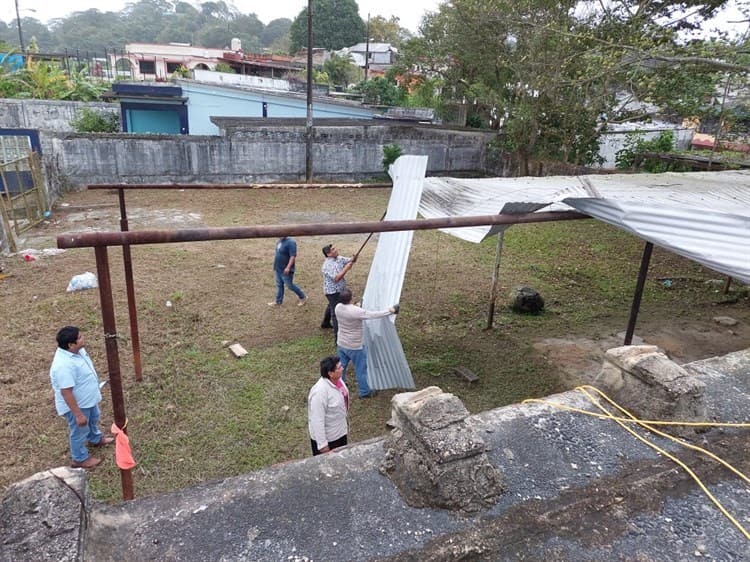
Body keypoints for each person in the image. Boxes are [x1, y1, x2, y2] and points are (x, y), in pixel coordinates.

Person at [49, 326, 113, 469]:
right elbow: (66, 392)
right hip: (78, 406)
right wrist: (78, 415)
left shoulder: (78, 351)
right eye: (79, 337)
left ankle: (95, 438)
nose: (83, 338)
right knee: (79, 431)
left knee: (94, 418)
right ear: (71, 345)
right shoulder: (63, 366)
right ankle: (80, 459)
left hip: (88, 401)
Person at [335, 289, 399, 398]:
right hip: (355, 346)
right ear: (351, 298)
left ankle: (338, 385)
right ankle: (365, 392)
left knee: (341, 366)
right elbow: (373, 315)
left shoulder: (338, 307)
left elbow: (351, 309)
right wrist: (391, 310)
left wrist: (358, 305)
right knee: (361, 369)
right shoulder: (356, 312)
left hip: (341, 343)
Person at [308, 355, 349, 455]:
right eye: (339, 368)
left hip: (340, 432)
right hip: (330, 439)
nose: (342, 368)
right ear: (330, 373)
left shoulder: (338, 381)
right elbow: (317, 420)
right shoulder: (319, 393)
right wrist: (323, 445)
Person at [320, 243, 357, 341]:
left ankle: (325, 323)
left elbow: (350, 261)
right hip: (332, 292)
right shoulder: (327, 266)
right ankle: (338, 339)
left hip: (339, 289)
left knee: (331, 305)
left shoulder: (339, 258)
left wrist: (354, 258)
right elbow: (336, 278)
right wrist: (347, 268)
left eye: (334, 248)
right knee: (336, 313)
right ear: (328, 254)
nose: (336, 250)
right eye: (333, 250)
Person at [269, 236, 307, 307]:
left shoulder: (291, 242)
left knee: (290, 285)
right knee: (279, 285)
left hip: (285, 269)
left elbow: (292, 256)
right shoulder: (279, 241)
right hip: (278, 268)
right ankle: (278, 301)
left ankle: (303, 297)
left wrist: (288, 267)